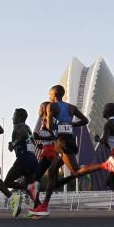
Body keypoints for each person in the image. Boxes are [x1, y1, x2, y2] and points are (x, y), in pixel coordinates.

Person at [56, 103, 114, 218]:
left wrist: (99, 139)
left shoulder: (109, 123)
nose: (102, 110)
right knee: (111, 182)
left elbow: (104, 140)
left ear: (108, 111)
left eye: (104, 108)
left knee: (112, 182)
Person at [30, 85, 89, 218]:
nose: (49, 97)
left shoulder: (52, 107)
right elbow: (85, 120)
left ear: (54, 95)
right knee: (52, 171)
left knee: (76, 171)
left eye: (50, 95)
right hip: (67, 140)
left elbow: (50, 127)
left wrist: (51, 126)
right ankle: (43, 206)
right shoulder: (71, 107)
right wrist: (70, 125)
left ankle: (104, 165)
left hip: (62, 142)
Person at [2, 108, 44, 217]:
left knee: (6, 182)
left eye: (14, 115)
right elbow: (31, 140)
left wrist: (13, 145)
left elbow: (24, 136)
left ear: (20, 117)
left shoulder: (18, 126)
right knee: (31, 188)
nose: (12, 118)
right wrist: (37, 145)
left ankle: (23, 193)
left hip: (23, 158)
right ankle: (39, 208)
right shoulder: (27, 127)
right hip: (32, 159)